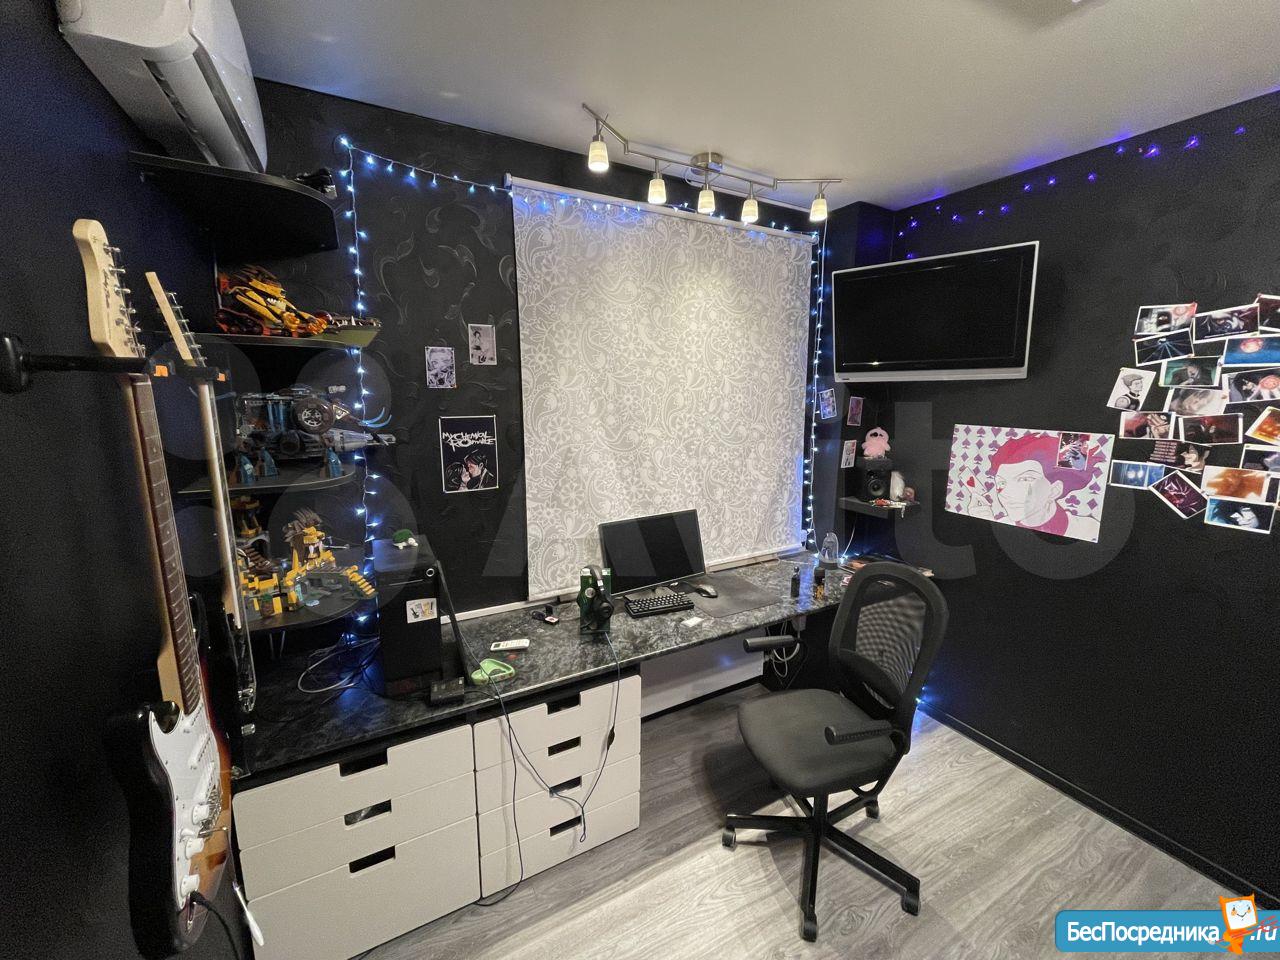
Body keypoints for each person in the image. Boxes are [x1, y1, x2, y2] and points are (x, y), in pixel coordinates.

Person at [965, 432, 1103, 540]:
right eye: (1001, 483)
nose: (1005, 493)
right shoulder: (1001, 522)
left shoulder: (1088, 530)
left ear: (1054, 490)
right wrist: (986, 522)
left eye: (1025, 479)